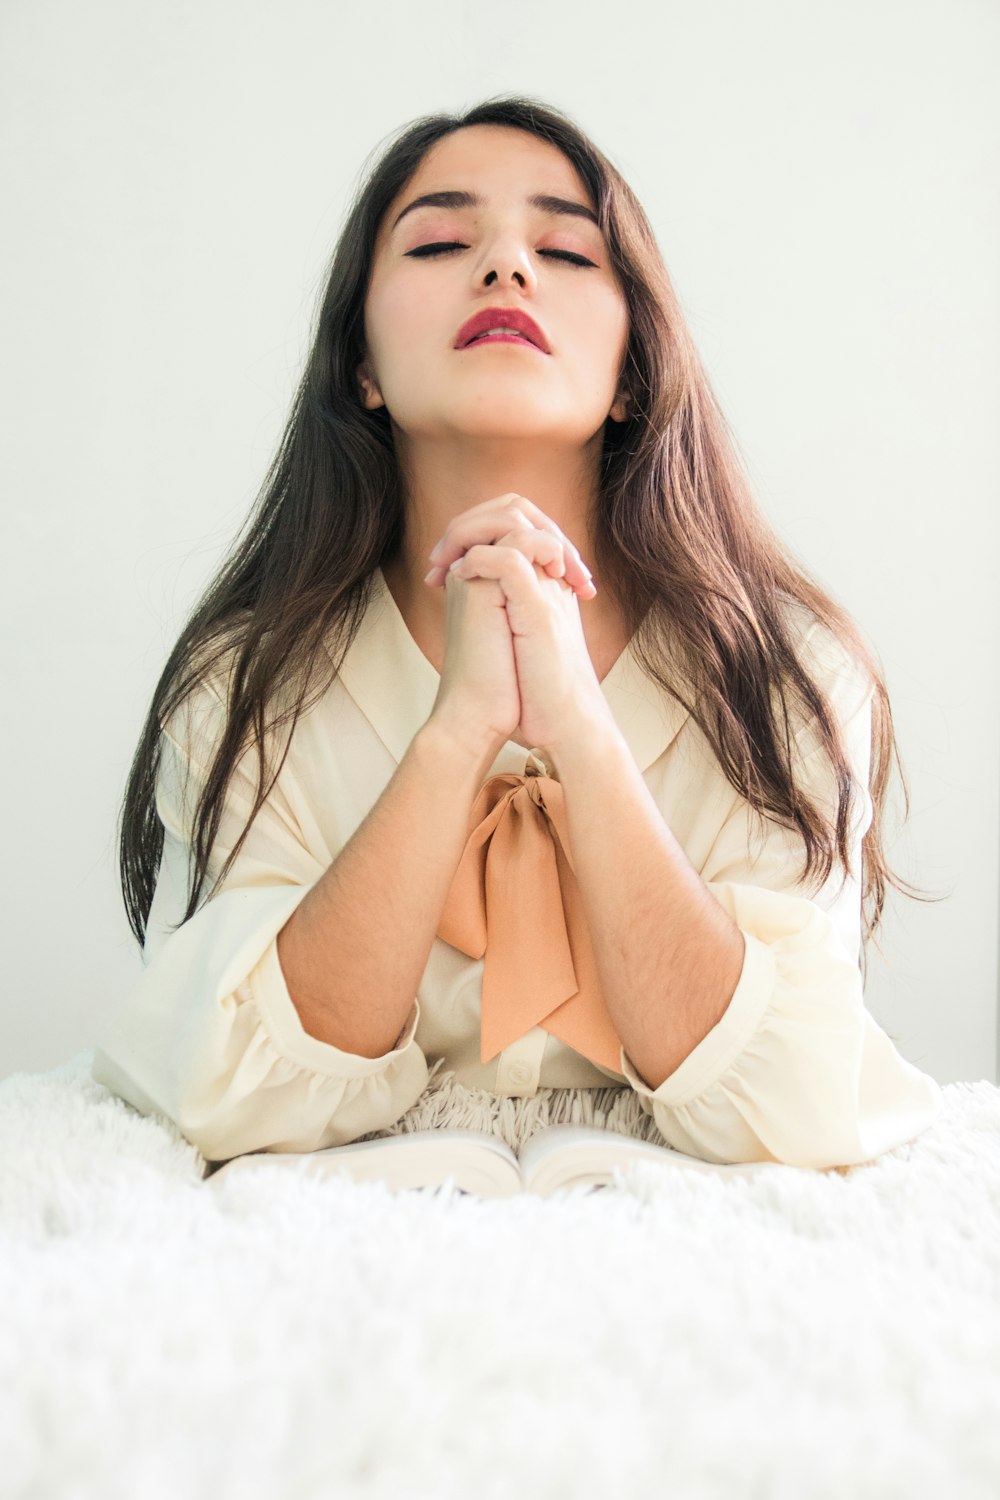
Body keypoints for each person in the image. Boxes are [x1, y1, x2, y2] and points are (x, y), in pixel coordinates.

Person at [92, 95, 944, 1170]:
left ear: (636, 368)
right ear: (360, 361)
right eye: (442, 241)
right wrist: (452, 740)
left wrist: (584, 739)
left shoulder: (786, 685)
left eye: (565, 251)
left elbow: (793, 1108)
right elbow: (237, 1095)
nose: (504, 268)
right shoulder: (245, 693)